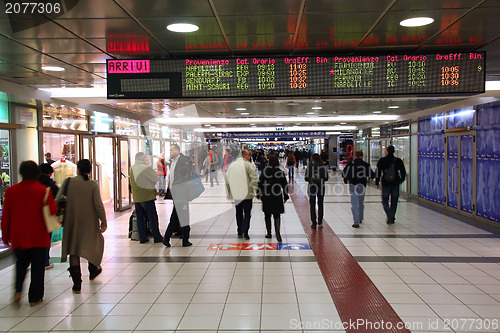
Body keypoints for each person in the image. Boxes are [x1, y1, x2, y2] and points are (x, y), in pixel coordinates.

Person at [1, 161, 58, 306]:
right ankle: (34, 298)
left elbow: (6, 216)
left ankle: (18, 291)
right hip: (39, 236)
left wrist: (6, 236)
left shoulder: (11, 191)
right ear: (37, 173)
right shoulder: (43, 191)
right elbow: (52, 211)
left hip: (19, 236)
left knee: (20, 265)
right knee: (38, 268)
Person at [57, 159, 107, 294]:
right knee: (94, 244)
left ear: (77, 169)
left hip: (71, 221)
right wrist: (103, 221)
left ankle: (77, 284)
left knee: (73, 250)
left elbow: (57, 200)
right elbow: (98, 205)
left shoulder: (68, 182)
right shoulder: (92, 184)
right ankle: (93, 269)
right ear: (89, 170)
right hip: (89, 221)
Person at [129, 152, 164, 244]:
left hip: (137, 197)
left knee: (140, 218)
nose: (147, 160)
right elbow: (155, 178)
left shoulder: (132, 168)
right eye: (145, 158)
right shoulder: (145, 168)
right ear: (142, 159)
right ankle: (157, 236)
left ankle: (142, 237)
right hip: (147, 196)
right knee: (152, 217)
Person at [163, 144, 193, 247]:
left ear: (177, 150)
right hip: (176, 193)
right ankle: (183, 240)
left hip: (181, 193)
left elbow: (187, 175)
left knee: (178, 217)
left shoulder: (183, 160)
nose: (170, 152)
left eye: (171, 150)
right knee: (180, 217)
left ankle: (171, 238)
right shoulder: (173, 161)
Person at [225, 149, 258, 240]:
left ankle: (239, 231)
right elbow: (254, 179)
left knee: (238, 212)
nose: (250, 157)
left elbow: (227, 180)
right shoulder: (249, 165)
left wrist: (228, 192)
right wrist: (257, 191)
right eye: (248, 155)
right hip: (247, 195)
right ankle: (245, 232)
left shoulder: (232, 166)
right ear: (244, 156)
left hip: (236, 195)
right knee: (247, 213)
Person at [258, 156, 289, 242]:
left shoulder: (265, 171)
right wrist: (286, 196)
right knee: (277, 215)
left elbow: (260, 183)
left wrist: (258, 194)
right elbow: (285, 185)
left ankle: (269, 233)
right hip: (277, 196)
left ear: (269, 162)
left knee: (267, 215)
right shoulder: (280, 172)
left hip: (267, 195)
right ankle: (278, 233)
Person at [343, 151, 376, 228]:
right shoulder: (365, 164)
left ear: (355, 155)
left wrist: (346, 179)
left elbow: (344, 173)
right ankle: (360, 218)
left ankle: (356, 221)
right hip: (362, 185)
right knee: (361, 202)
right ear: (362, 156)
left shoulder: (350, 163)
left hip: (353, 185)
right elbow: (372, 175)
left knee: (354, 203)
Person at [376, 145, 407, 224]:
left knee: (384, 200)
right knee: (394, 201)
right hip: (395, 183)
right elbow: (403, 172)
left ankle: (389, 214)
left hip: (386, 183)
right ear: (394, 151)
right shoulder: (398, 161)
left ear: (386, 151)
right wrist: (400, 180)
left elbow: (378, 172)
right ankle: (391, 215)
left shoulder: (382, 160)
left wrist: (377, 182)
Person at [38, 163, 59, 269]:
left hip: (34, 216)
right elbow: (57, 197)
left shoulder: (35, 182)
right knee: (46, 238)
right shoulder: (50, 184)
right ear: (50, 173)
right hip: (47, 215)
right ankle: (45, 261)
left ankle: (35, 260)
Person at [304, 153, 329, 228]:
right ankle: (320, 220)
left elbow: (306, 178)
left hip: (312, 186)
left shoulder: (310, 165)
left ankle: (314, 222)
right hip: (321, 186)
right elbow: (326, 178)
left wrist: (310, 179)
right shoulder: (323, 166)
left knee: (312, 204)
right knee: (320, 203)